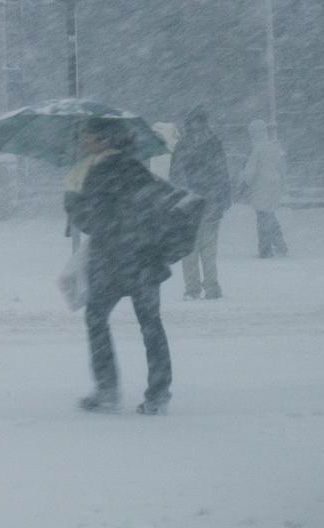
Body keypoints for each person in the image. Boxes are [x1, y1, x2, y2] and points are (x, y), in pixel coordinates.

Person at [64, 118, 173, 415]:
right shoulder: (137, 168)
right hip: (144, 260)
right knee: (150, 324)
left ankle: (108, 389)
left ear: (102, 140)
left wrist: (72, 197)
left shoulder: (96, 171)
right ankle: (159, 393)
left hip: (113, 262)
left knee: (96, 318)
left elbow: (90, 220)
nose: (82, 141)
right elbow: (156, 209)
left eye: (86, 136)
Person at [169, 105, 232, 300]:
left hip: (189, 203)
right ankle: (211, 287)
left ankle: (192, 288)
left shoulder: (183, 145)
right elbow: (222, 173)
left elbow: (175, 176)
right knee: (209, 249)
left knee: (189, 250)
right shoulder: (214, 143)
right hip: (210, 202)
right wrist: (223, 198)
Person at [241, 119, 288, 258]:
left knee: (262, 219)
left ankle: (265, 249)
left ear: (254, 133)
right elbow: (282, 168)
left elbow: (250, 172)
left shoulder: (257, 149)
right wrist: (283, 184)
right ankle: (280, 245)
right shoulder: (275, 148)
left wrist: (245, 182)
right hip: (274, 187)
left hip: (261, 188)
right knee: (270, 216)